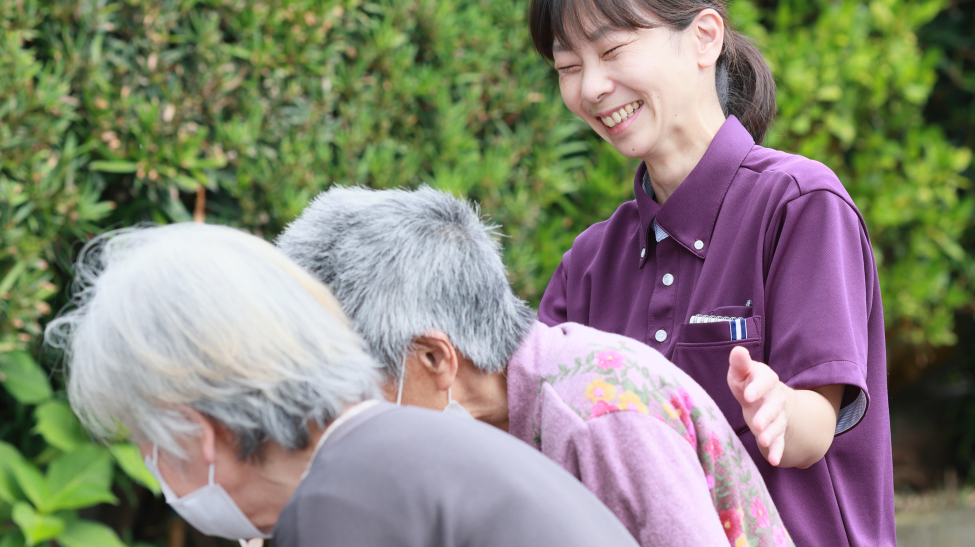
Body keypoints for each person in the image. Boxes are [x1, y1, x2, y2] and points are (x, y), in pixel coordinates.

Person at [526, 0, 895, 547]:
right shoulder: (588, 264)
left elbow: (814, 425)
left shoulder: (799, 204)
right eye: (568, 66)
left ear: (704, 37)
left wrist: (776, 407)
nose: (591, 87)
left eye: (612, 51)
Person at [44, 222, 640, 547]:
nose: (154, 473)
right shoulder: (404, 449)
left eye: (143, 443)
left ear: (196, 433)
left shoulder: (342, 503)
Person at [277, 185, 791, 547]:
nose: (339, 410)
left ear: (435, 359)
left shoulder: (600, 416)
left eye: (350, 381)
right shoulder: (501, 418)